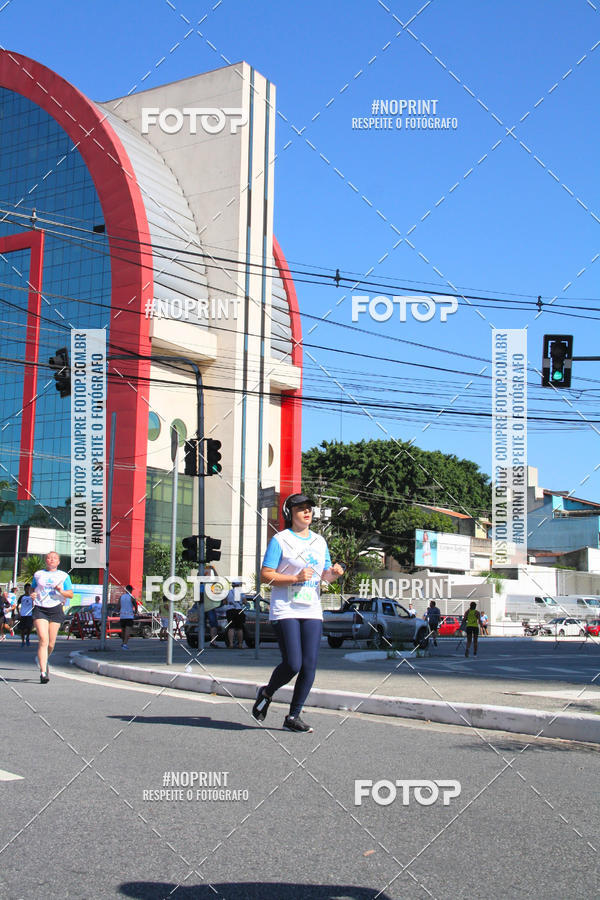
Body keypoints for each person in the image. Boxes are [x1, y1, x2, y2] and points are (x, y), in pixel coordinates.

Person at [252, 493, 344, 733]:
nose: (307, 512)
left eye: (309, 508)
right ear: (289, 514)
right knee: (293, 663)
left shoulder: (319, 541)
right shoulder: (281, 540)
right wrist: (294, 577)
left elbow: (324, 575)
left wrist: (334, 572)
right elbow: (266, 575)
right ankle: (267, 692)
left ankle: (293, 716)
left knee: (309, 665)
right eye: (301, 509)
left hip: (311, 608)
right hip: (285, 609)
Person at [31, 551, 74, 683]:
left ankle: (44, 659)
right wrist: (32, 594)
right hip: (40, 608)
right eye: (49, 558)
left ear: (58, 562)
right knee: (43, 639)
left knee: (51, 643)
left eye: (54, 558)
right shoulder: (38, 574)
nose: (51, 560)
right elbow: (33, 589)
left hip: (56, 609)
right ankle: (43, 672)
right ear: (46, 560)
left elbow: (70, 594)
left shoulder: (63, 576)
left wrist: (61, 591)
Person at [225, 579, 246, 649]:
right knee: (239, 628)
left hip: (230, 610)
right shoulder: (241, 593)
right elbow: (245, 602)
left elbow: (224, 601)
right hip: (239, 610)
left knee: (231, 627)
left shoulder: (228, 592)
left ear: (232, 585)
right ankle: (240, 644)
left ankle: (231, 644)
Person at [118, 584, 137, 649]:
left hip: (122, 616)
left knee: (123, 630)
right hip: (129, 616)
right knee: (127, 631)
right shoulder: (132, 597)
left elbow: (118, 606)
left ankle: (123, 642)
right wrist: (135, 612)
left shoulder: (121, 597)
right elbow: (135, 606)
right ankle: (125, 644)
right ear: (130, 590)